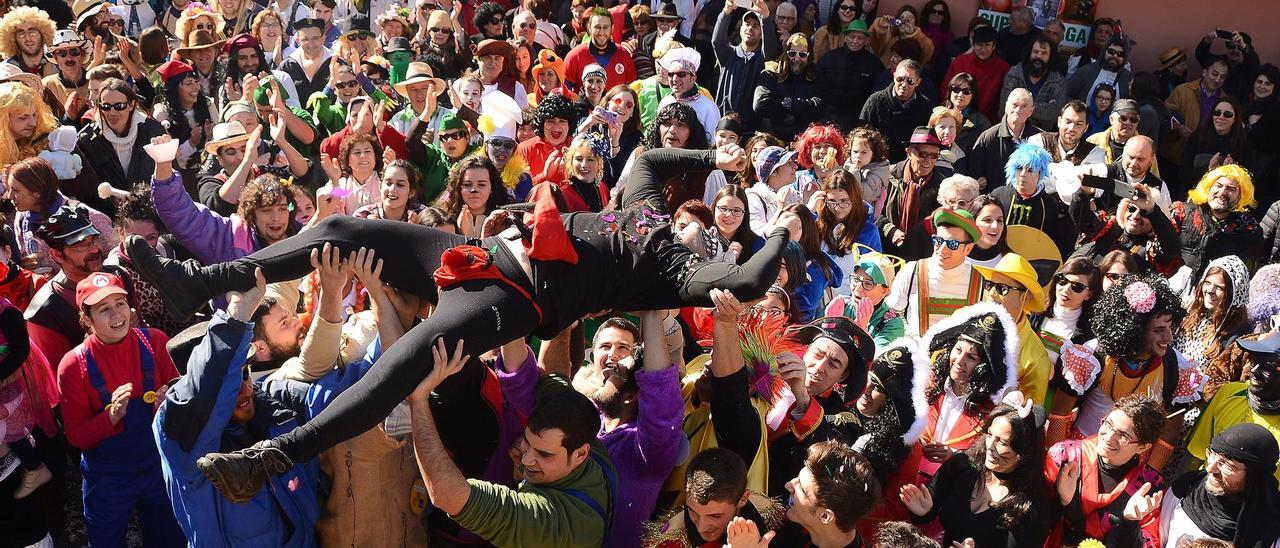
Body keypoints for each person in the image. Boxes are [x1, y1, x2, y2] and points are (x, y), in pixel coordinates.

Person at [132, 143, 792, 503]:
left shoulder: (676, 274)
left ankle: (271, 457)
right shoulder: (644, 206)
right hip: (474, 255)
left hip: (513, 300)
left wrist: (784, 226)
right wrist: (719, 159)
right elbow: (649, 156)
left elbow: (749, 280)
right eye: (707, 208)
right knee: (337, 227)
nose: (704, 220)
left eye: (718, 225)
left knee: (406, 363)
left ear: (711, 243)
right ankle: (200, 281)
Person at [56, 271, 186, 546]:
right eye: (104, 309)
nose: (116, 315)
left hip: (157, 466)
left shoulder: (156, 342)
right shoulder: (73, 365)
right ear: (87, 319)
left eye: (120, 303)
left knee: (169, 538)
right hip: (108, 478)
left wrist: (169, 403)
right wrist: (110, 416)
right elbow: (76, 435)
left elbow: (185, 403)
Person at [1049, 274, 1201, 474]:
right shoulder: (1093, 355)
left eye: (1170, 327)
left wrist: (1149, 474)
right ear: (1134, 330)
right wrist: (1056, 459)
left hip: (1132, 465)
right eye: (1159, 330)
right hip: (1082, 454)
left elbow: (1171, 427)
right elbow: (1059, 414)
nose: (1169, 337)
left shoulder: (1177, 367)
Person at [902, 392, 1052, 546]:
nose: (990, 446)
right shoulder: (962, 466)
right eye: (989, 434)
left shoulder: (1032, 507)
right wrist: (924, 512)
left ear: (1024, 452)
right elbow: (929, 509)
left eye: (1002, 442)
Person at [1044, 393, 1168, 546]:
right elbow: (1031, 512)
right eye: (1108, 424)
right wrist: (1063, 502)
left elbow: (1149, 543)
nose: (1108, 437)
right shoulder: (1065, 456)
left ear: (1143, 447)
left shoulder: (1149, 487)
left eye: (1123, 436)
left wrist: (1130, 522)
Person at [912, 302, 1020, 478]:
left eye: (971, 357)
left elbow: (993, 462)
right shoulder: (927, 383)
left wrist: (953, 457)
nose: (959, 361)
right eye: (958, 350)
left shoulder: (992, 411)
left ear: (984, 367)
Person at [1155, 423, 1280, 547]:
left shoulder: (1273, 528)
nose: (1210, 469)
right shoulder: (1184, 490)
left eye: (1227, 465)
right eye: (1212, 455)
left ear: (1255, 477)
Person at [642, 447, 786, 547]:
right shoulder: (670, 542)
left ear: (743, 499)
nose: (701, 527)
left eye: (715, 516)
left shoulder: (771, 517)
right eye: (692, 511)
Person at [885, 208, 982, 337]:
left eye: (952, 244)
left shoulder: (980, 281)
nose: (942, 249)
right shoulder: (912, 270)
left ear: (968, 249)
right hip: (916, 353)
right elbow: (889, 314)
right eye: (938, 240)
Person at [973, 253, 1052, 403]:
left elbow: (1023, 419)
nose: (991, 294)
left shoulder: (1036, 359)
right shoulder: (965, 318)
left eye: (1002, 288)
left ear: (1025, 297)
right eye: (989, 285)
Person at [1169, 164, 1263, 284]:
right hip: (1172, 289)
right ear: (1208, 187)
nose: (1222, 192)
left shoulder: (1249, 230)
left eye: (1231, 189)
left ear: (1241, 196)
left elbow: (1244, 275)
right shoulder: (1182, 212)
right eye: (1218, 185)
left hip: (1216, 297)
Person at [1177, 256, 1252, 400]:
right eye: (1207, 283)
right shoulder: (1192, 313)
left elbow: (1227, 382)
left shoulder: (1237, 333)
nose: (1210, 290)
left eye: (1219, 287)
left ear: (1233, 294)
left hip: (1200, 405)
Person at [991, 142, 1076, 257]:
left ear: (1040, 174)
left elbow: (1055, 242)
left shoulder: (1049, 205)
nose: (1022, 174)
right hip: (997, 257)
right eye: (1019, 168)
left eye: (1030, 170)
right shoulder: (999, 195)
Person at [877, 127, 946, 256]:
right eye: (923, 154)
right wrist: (891, 230)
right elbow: (874, 211)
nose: (928, 161)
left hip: (922, 255)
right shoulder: (888, 175)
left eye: (934, 155)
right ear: (909, 152)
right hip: (885, 250)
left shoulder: (943, 186)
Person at [811, 168, 880, 295]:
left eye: (844, 201)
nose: (837, 208)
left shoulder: (868, 231)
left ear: (854, 199)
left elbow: (874, 273)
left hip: (851, 301)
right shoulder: (816, 223)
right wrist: (809, 212)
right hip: (818, 299)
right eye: (832, 201)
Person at [711, 0, 777, 122]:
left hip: (750, 128)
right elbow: (716, 40)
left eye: (756, 26)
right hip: (723, 123)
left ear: (762, 33)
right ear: (740, 29)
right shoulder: (728, 53)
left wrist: (766, 17)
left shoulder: (764, 58)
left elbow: (771, 48)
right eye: (747, 24)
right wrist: (726, 11)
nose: (750, 28)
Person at [753, 33, 822, 142]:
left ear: (809, 55)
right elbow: (760, 103)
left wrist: (793, 105)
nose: (797, 58)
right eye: (792, 53)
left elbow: (818, 105)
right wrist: (784, 116)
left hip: (803, 139)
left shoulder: (815, 75)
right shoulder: (772, 71)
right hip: (772, 137)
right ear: (786, 53)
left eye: (802, 54)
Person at [824, 252, 903, 349]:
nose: (858, 288)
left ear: (885, 291)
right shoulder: (840, 306)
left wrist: (861, 331)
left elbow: (875, 360)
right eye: (856, 279)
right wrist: (828, 325)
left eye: (868, 283)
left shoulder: (892, 324)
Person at [816, 19, 882, 131]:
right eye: (852, 37)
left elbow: (876, 94)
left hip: (857, 121)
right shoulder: (829, 58)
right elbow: (817, 87)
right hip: (827, 118)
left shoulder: (874, 64)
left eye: (860, 38)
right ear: (845, 37)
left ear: (866, 40)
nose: (855, 41)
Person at [860, 59, 932, 163]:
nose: (904, 84)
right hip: (876, 163)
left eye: (910, 81)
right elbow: (861, 134)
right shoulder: (875, 100)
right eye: (900, 79)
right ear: (894, 77)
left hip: (909, 164)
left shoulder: (925, 106)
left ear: (918, 82)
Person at [1033, 257, 1101, 365]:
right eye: (1062, 281)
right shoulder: (1034, 312)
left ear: (1089, 294)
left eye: (1077, 287)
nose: (1066, 290)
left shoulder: (1088, 335)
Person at [1165, 57, 1230, 168]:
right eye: (1215, 74)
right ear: (1204, 72)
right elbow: (1166, 115)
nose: (1218, 80)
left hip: (1205, 158)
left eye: (1222, 77)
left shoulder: (1225, 100)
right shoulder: (1182, 91)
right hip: (1176, 153)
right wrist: (1179, 127)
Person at [969, 88, 1039, 190]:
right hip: (994, 200)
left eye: (1024, 106)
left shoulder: (1038, 139)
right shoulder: (988, 137)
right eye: (1014, 105)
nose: (1018, 110)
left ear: (1031, 111)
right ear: (1006, 106)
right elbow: (973, 173)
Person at [1181, 97, 1255, 188]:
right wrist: (1208, 169)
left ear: (1235, 119)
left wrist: (1232, 170)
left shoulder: (1243, 143)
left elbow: (1248, 181)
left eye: (1227, 114)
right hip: (1195, 193)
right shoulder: (1196, 137)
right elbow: (1183, 174)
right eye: (1217, 113)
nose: (1221, 117)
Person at [941, 25, 1008, 122]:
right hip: (956, 117)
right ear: (973, 44)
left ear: (994, 46)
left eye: (987, 45)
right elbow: (945, 90)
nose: (983, 49)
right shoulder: (960, 62)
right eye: (979, 45)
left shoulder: (1003, 68)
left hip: (987, 122)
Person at [1000, 33, 1065, 132]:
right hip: (1010, 130)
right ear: (1029, 53)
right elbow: (1005, 105)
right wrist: (1041, 107)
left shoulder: (1057, 80)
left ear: (1050, 56)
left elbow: (1054, 111)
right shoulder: (1015, 73)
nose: (1038, 56)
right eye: (1035, 52)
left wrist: (1022, 108)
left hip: (1041, 135)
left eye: (1044, 53)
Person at [563, 8, 635, 94]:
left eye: (605, 27)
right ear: (589, 28)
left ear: (612, 28)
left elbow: (632, 89)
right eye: (597, 27)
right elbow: (566, 93)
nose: (601, 32)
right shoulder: (574, 57)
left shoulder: (624, 55)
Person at [655, 47, 718, 144]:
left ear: (693, 78)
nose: (675, 79)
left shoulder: (709, 107)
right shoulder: (665, 103)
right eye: (671, 74)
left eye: (681, 74)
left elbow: (712, 144)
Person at [745, 145, 799, 236]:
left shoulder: (793, 196)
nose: (795, 166)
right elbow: (758, 236)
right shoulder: (754, 198)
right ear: (773, 172)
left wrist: (808, 203)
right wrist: (780, 210)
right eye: (788, 163)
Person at [843, 126, 891, 217]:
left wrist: (854, 174)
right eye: (855, 152)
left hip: (866, 215)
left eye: (864, 152)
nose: (858, 156)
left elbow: (865, 196)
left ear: (873, 154)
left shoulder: (879, 171)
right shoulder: (849, 164)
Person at [942, 72, 993, 154]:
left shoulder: (981, 123)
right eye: (956, 89)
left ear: (973, 95)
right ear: (950, 91)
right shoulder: (938, 116)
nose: (960, 94)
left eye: (966, 91)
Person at [0, 6, 56, 78]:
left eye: (32, 33)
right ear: (13, 39)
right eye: (21, 35)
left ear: (43, 34)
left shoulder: (57, 64)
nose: (28, 38)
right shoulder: (7, 70)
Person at [965, 194, 1008, 268]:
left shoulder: (1010, 262)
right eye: (988, 220)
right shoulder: (955, 257)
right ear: (973, 222)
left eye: (999, 220)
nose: (995, 226)